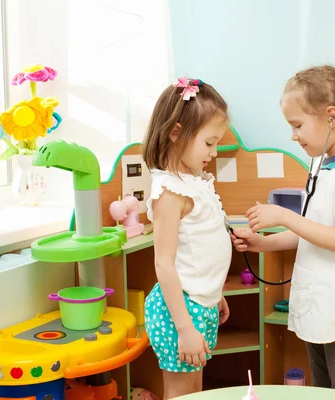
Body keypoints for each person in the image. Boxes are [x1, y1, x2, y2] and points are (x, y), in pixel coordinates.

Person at [231, 65, 335, 393]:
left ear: (331, 117)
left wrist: (284, 216)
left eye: (298, 125)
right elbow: (314, 230)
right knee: (320, 389)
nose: (294, 136)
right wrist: (263, 243)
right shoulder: (323, 165)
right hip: (320, 296)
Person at [142, 77, 231, 399]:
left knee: (196, 392)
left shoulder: (195, 182)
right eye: (209, 143)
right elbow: (164, 264)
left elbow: (197, 254)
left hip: (198, 305)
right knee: (182, 394)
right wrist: (183, 327)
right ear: (176, 133)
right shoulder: (169, 191)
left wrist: (214, 293)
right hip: (178, 313)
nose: (215, 151)